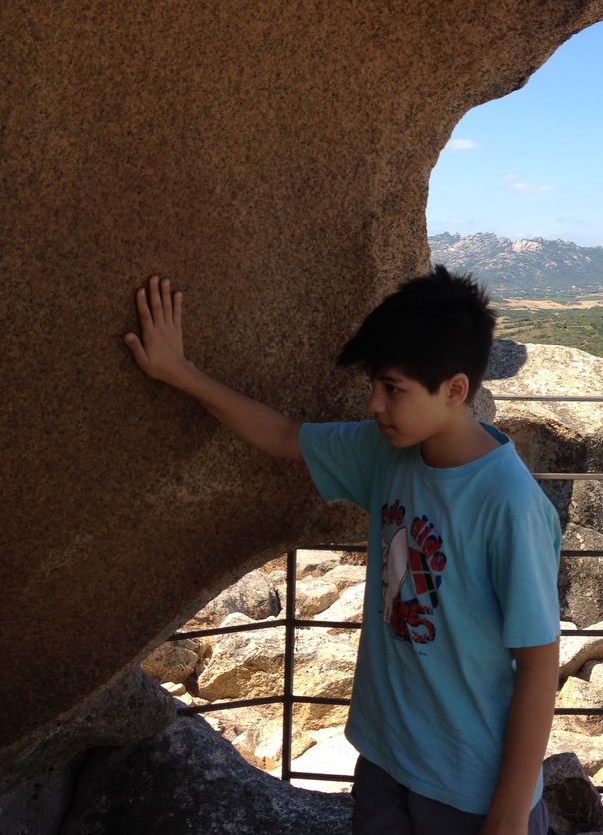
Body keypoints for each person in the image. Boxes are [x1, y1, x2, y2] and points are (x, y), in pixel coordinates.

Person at [128, 270, 560, 835]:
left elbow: (538, 663)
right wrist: (180, 373)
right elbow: (286, 436)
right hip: (385, 758)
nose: (374, 404)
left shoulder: (510, 505)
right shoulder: (390, 453)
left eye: (393, 389)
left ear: (455, 390)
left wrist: (507, 817)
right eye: (375, 386)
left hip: (469, 787)